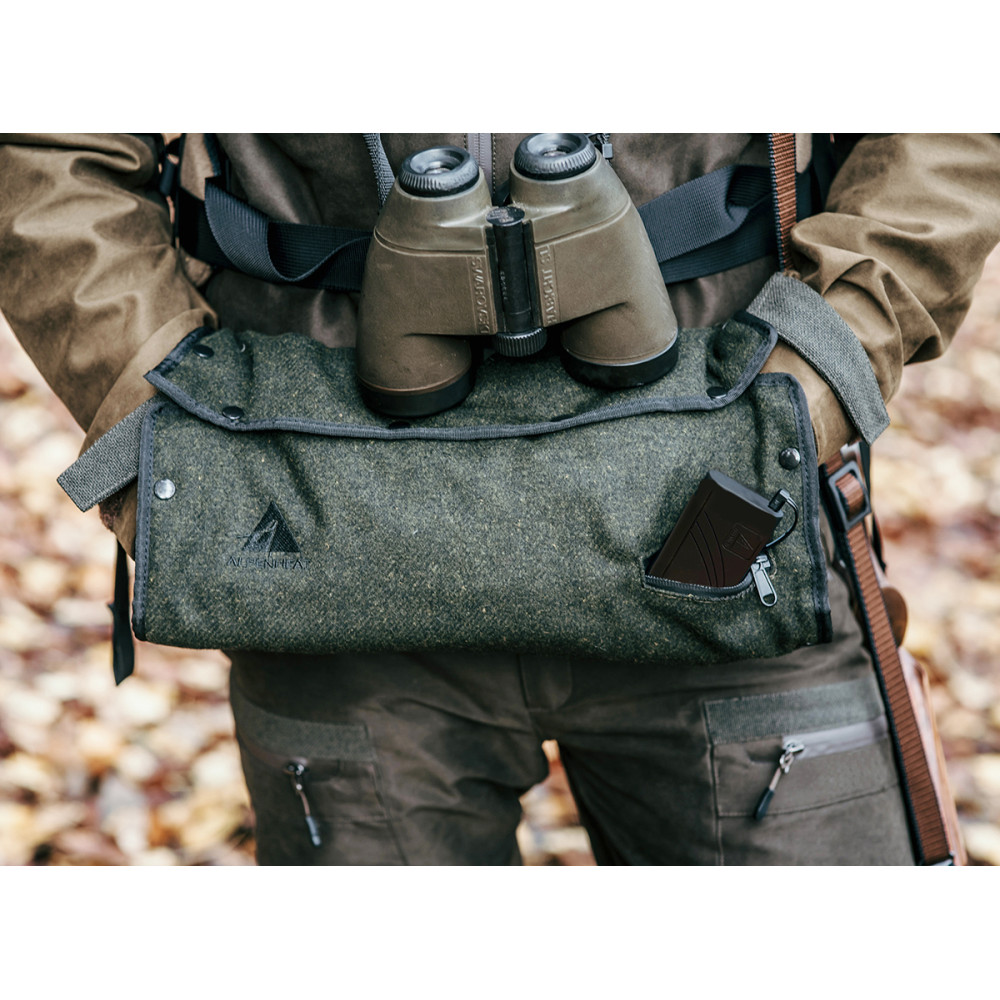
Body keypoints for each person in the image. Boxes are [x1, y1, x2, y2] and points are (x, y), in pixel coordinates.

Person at [2, 133, 998, 865]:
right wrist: (156, 430)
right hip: (325, 543)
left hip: (721, 518)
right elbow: (49, 143)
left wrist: (822, 368)